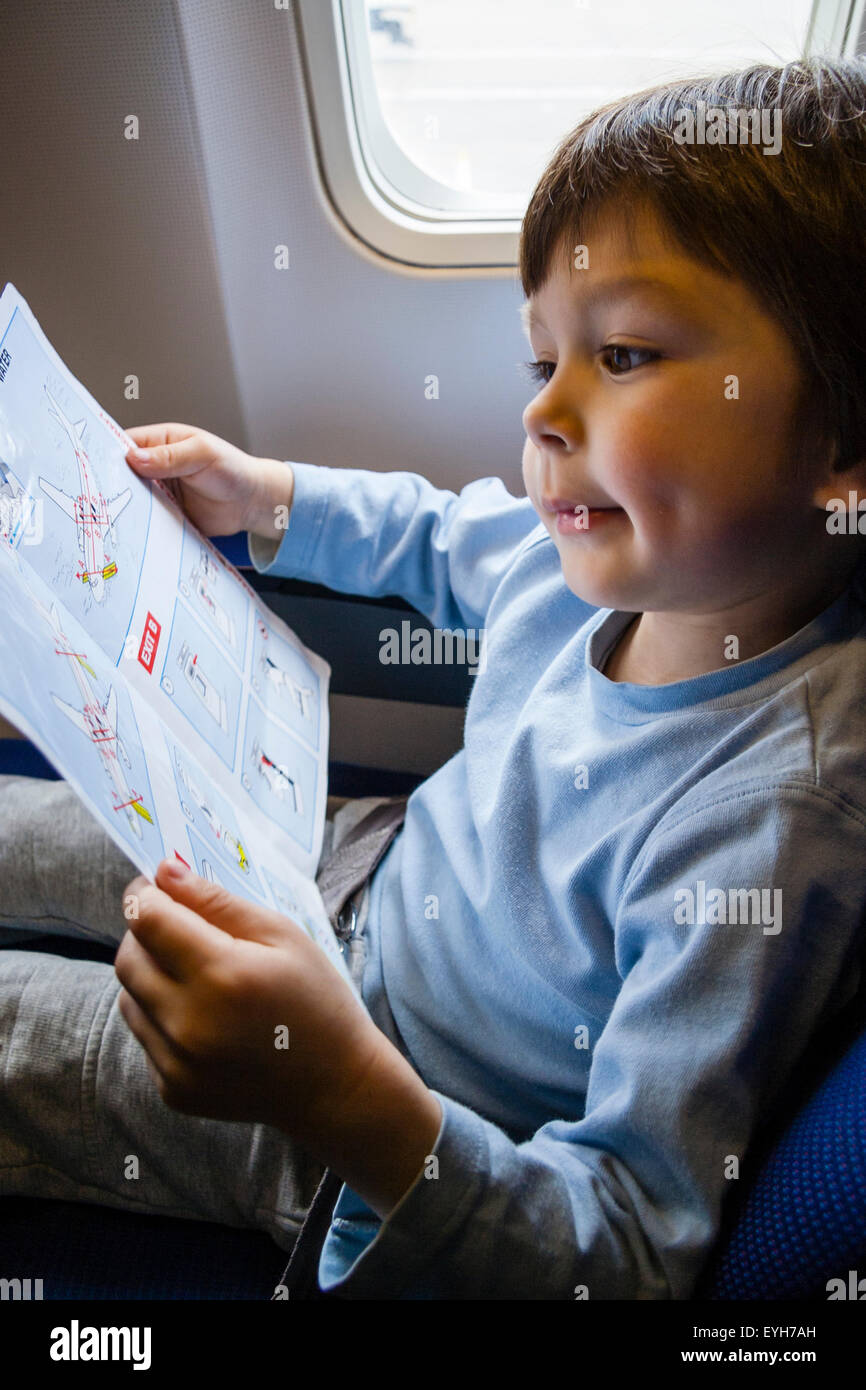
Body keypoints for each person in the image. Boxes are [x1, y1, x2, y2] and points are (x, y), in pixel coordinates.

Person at [2, 55, 866, 1300]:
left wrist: (343, 1091)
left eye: (621, 355)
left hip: (366, 1100)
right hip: (354, 870)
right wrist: (268, 494)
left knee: (24, 1036)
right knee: (46, 822)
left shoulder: (767, 825)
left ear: (840, 446)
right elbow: (428, 532)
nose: (545, 417)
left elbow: (622, 1246)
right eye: (541, 364)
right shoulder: (596, 555)